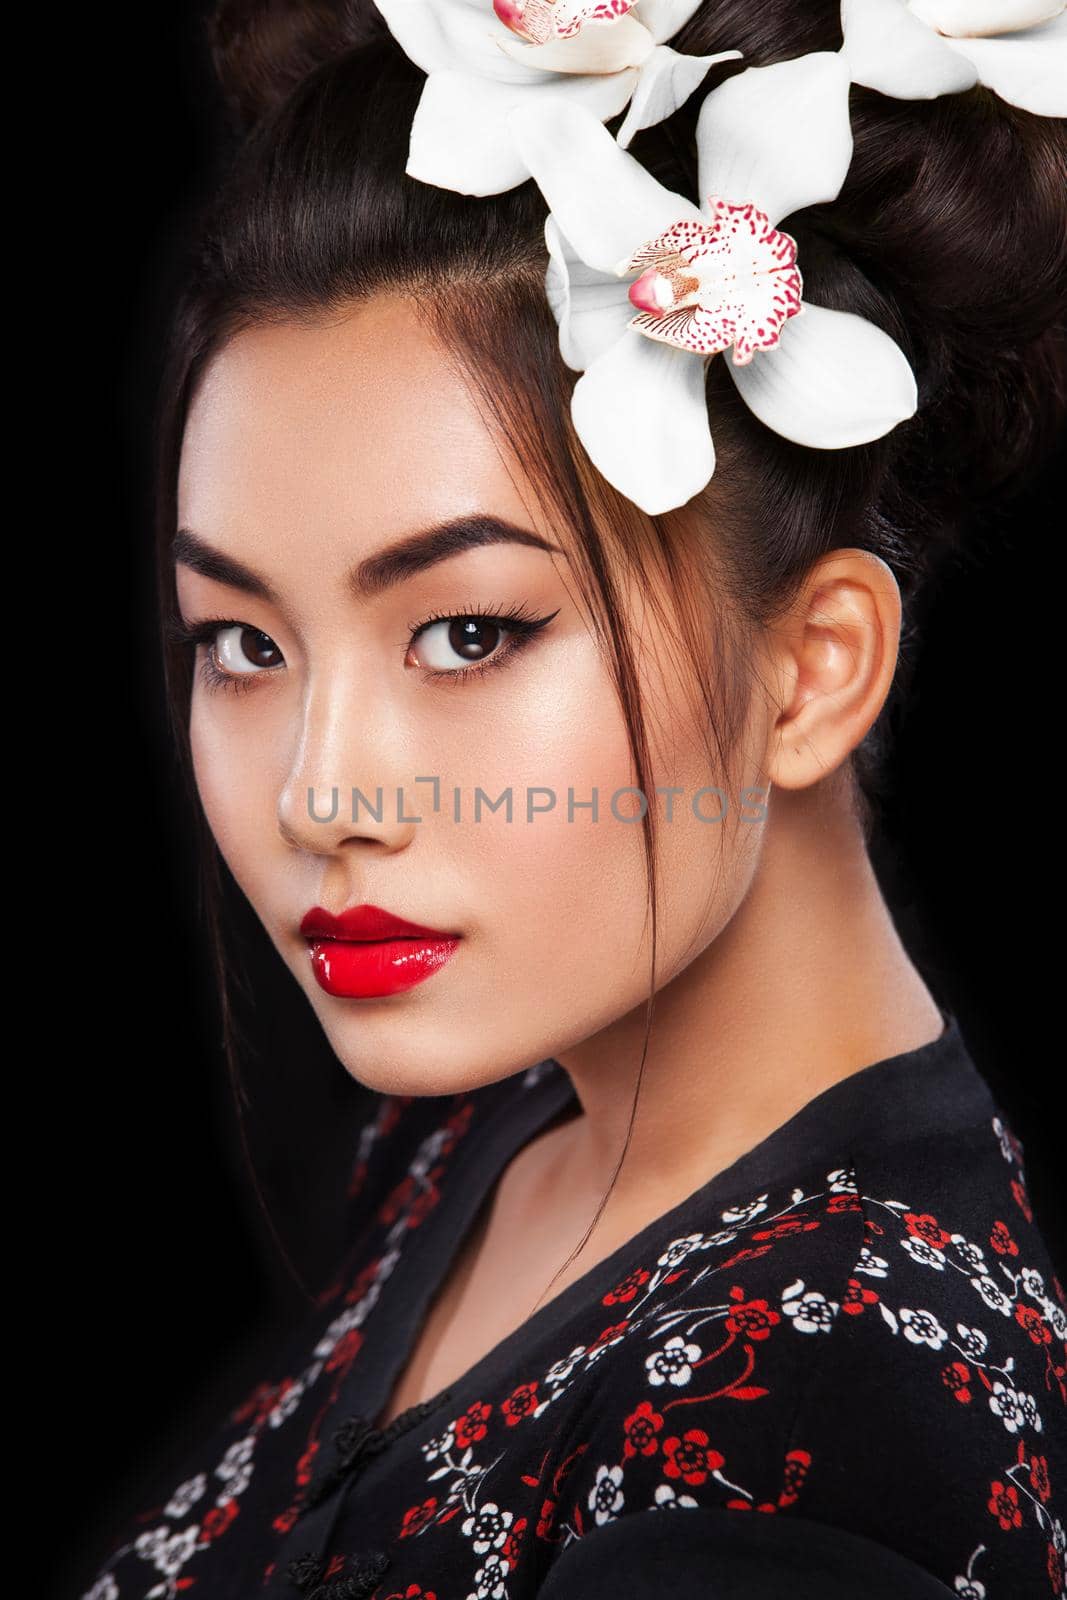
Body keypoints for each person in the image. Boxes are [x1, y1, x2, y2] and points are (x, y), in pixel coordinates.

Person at [82, 0, 1067, 1595]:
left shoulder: (803, 1464)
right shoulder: (493, 1119)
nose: (325, 792)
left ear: (814, 669)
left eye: (469, 632)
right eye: (244, 640)